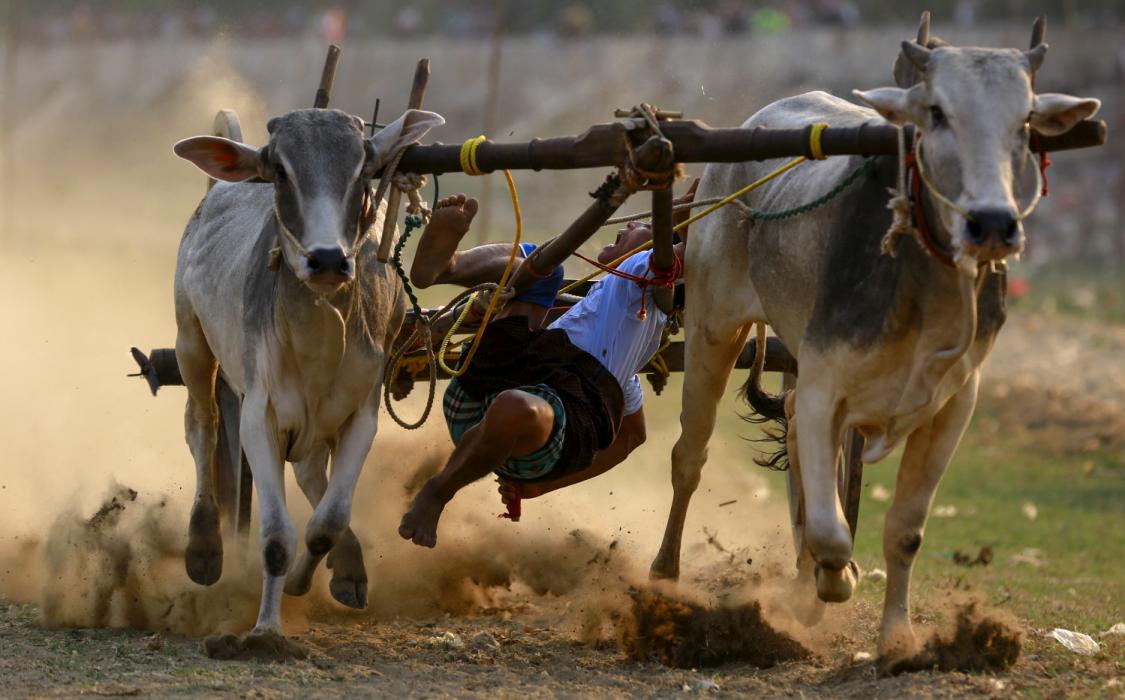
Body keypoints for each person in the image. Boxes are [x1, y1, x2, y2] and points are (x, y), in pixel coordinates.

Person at [399, 183, 695, 549]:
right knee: (542, 268)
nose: (628, 226)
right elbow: (632, 438)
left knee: (516, 405)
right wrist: (541, 489)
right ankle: (447, 266)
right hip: (478, 397)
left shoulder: (641, 277)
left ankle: (438, 491)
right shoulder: (614, 339)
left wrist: (680, 215)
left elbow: (685, 252)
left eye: (643, 228)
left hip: (526, 435)